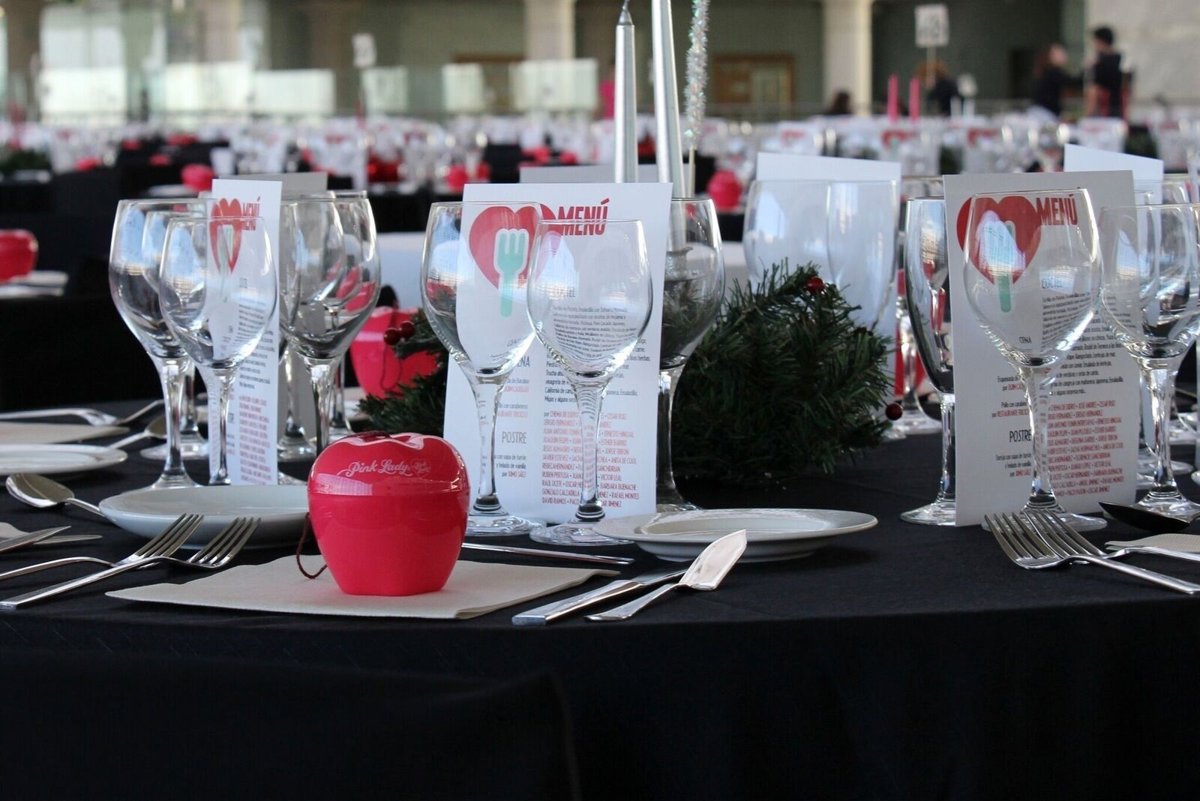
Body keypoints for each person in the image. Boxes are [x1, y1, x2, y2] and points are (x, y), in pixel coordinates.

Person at [1084, 25, 1124, 118]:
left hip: (1107, 108)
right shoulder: (1117, 58)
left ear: (1101, 42)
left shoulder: (1104, 62)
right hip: (1113, 107)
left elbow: (1095, 88)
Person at [1031, 43, 1072, 118]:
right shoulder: (1053, 73)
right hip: (1044, 114)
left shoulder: (1049, 72)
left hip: (1042, 112)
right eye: (1060, 54)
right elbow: (1072, 83)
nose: (1064, 56)